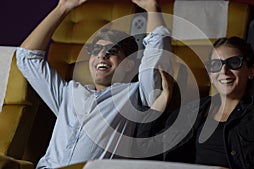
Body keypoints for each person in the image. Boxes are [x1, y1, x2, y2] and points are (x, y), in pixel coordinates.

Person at [16, 0, 173, 168]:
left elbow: (154, 55)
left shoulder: (136, 95)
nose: (101, 56)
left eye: (112, 51)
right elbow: (26, 57)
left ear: (129, 64)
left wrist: (152, 7)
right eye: (95, 50)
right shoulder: (68, 93)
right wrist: (62, 8)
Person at [159, 36, 254, 169]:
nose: (224, 71)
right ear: (210, 75)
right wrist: (164, 97)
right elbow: (152, 148)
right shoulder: (192, 110)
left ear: (251, 70)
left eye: (234, 63)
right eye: (215, 65)